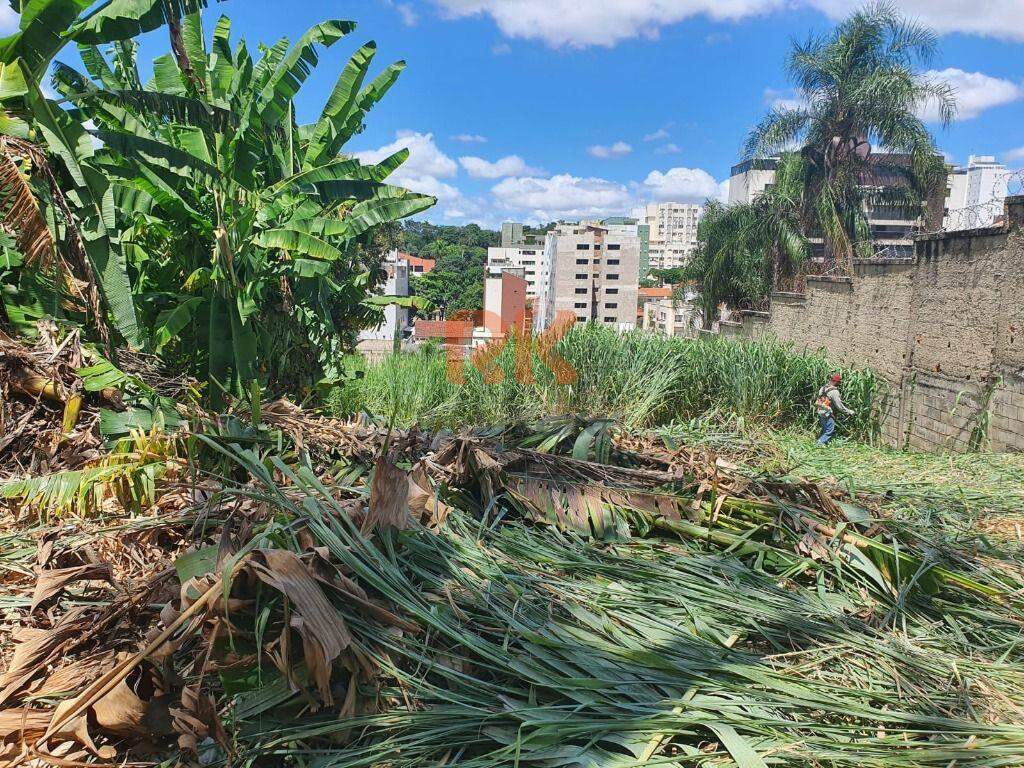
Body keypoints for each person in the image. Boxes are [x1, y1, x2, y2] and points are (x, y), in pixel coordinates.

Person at [814, 373, 854, 445]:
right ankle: (818, 445)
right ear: (835, 382)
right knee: (829, 431)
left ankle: (822, 443)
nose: (839, 384)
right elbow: (840, 406)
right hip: (828, 414)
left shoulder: (823, 388)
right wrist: (849, 412)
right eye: (839, 382)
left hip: (820, 412)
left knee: (825, 429)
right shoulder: (834, 392)